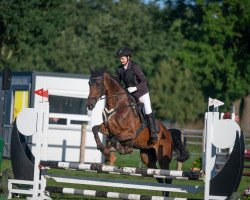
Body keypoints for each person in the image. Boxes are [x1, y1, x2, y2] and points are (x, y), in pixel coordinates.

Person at [116, 47, 159, 142]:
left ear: (128, 57)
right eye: (120, 58)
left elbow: (144, 81)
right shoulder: (119, 69)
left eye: (122, 58)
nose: (121, 60)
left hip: (142, 93)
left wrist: (135, 88)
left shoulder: (135, 66)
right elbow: (118, 83)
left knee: (147, 110)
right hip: (130, 95)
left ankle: (153, 133)